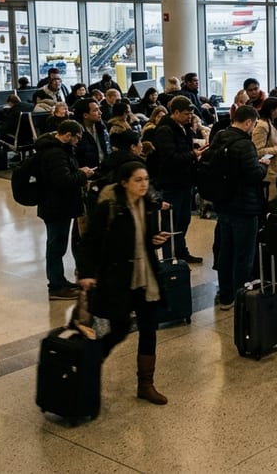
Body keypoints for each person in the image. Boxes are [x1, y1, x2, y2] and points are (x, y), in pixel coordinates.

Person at [76, 160, 170, 405]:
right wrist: (86, 273)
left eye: (146, 179)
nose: (143, 185)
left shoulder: (149, 205)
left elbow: (146, 239)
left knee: (149, 330)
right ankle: (88, 368)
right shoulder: (110, 207)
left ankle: (146, 384)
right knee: (118, 329)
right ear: (124, 183)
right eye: (138, 180)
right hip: (119, 279)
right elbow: (88, 243)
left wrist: (156, 239)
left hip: (145, 277)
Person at [211, 105, 269, 309]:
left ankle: (225, 295)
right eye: (253, 124)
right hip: (244, 206)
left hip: (223, 203)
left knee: (225, 250)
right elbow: (254, 173)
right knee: (244, 253)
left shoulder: (219, 137)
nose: (253, 128)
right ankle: (241, 295)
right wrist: (263, 165)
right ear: (247, 122)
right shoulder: (245, 144)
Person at [36, 119, 96, 300]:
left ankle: (59, 281)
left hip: (59, 205)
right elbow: (62, 180)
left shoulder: (59, 150)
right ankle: (55, 286)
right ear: (67, 136)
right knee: (56, 246)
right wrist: (82, 174)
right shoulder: (55, 153)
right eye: (76, 138)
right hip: (56, 207)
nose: (78, 142)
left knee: (58, 245)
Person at [143, 96, 205, 264]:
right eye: (186, 114)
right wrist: (193, 155)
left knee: (183, 220)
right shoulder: (165, 130)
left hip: (184, 181)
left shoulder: (182, 127)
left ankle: (180, 250)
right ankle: (170, 256)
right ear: (175, 112)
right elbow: (169, 157)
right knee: (171, 221)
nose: (189, 117)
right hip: (171, 183)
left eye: (191, 113)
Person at [252, 97, 277, 200]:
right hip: (266, 172)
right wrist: (276, 148)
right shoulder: (262, 126)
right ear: (271, 110)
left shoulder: (269, 123)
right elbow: (257, 151)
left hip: (273, 170)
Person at [72, 98, 109, 169]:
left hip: (105, 167)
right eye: (95, 110)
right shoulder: (76, 132)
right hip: (88, 171)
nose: (100, 113)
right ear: (85, 115)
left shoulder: (103, 126)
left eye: (99, 109)